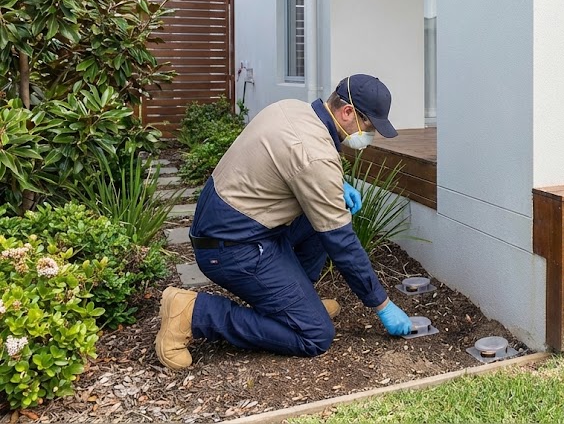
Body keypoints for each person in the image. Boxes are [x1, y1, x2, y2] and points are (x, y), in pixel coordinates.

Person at [155, 74, 413, 370]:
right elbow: (342, 243)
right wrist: (381, 304)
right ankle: (192, 313)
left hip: (234, 221)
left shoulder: (294, 109)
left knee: (330, 211)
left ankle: (298, 304)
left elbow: (288, 163)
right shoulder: (314, 154)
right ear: (348, 113)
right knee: (315, 334)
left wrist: (336, 185)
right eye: (369, 127)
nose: (370, 136)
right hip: (229, 247)